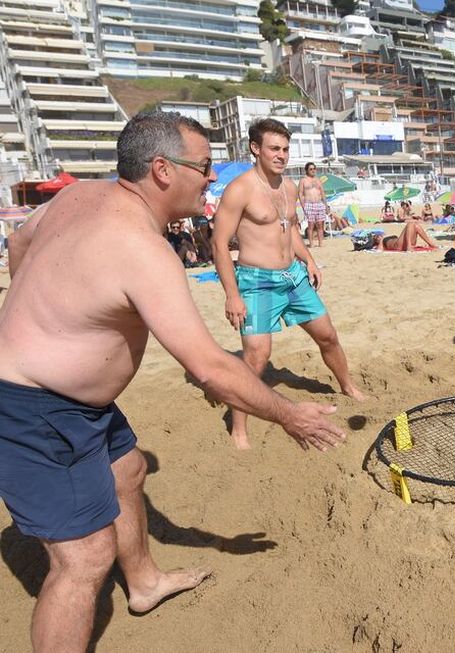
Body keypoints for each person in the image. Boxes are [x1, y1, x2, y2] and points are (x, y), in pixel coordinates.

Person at [0, 112, 346, 652]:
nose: (211, 178)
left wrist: (39, 317)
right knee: (83, 561)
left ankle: (143, 582)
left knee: (129, 468)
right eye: (204, 167)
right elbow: (207, 366)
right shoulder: (142, 247)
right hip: (33, 405)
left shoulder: (79, 196)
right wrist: (288, 413)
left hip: (73, 399)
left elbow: (20, 245)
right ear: (162, 170)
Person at [212, 118, 366, 450]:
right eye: (274, 148)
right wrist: (232, 295)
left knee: (328, 335)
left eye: (285, 149)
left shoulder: (289, 187)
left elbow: (290, 228)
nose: (281, 155)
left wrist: (308, 259)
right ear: (256, 148)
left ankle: (347, 385)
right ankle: (239, 427)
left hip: (292, 276)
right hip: (257, 282)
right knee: (257, 355)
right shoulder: (240, 189)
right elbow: (218, 244)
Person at [297, 162, 328, 248]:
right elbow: (300, 194)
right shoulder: (303, 180)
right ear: (306, 170)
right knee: (311, 225)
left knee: (320, 225)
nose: (313, 170)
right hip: (309, 204)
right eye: (311, 169)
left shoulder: (318, 180)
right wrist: (303, 206)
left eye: (314, 169)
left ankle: (321, 243)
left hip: (319, 203)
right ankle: (311, 243)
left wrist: (325, 205)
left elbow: (322, 193)